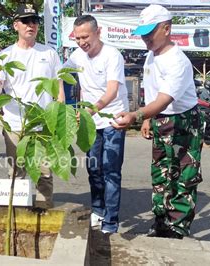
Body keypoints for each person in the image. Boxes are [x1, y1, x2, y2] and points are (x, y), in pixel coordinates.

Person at [112, 4, 203, 239]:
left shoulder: (177, 61)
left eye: (150, 32)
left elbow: (164, 99)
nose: (145, 38)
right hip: (160, 120)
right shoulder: (151, 56)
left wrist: (136, 115)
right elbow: (152, 92)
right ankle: (161, 221)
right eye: (143, 33)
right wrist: (147, 120)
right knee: (161, 172)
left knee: (183, 175)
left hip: (182, 121)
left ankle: (178, 227)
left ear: (166, 28)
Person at [0, 3, 64, 208]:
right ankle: (18, 215)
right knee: (16, 173)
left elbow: (59, 88)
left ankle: (43, 211)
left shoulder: (49, 53)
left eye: (35, 21)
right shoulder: (5, 56)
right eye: (25, 21)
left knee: (45, 173)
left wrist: (59, 118)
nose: (31, 25)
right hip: (15, 125)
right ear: (15, 25)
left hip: (43, 124)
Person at [63, 15, 128, 234]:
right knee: (93, 168)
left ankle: (110, 221)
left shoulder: (112, 55)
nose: (82, 42)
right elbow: (59, 72)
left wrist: (89, 110)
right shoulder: (76, 55)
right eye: (78, 38)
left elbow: (112, 91)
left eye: (85, 37)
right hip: (90, 122)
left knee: (110, 170)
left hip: (113, 120)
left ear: (98, 32)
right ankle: (98, 211)